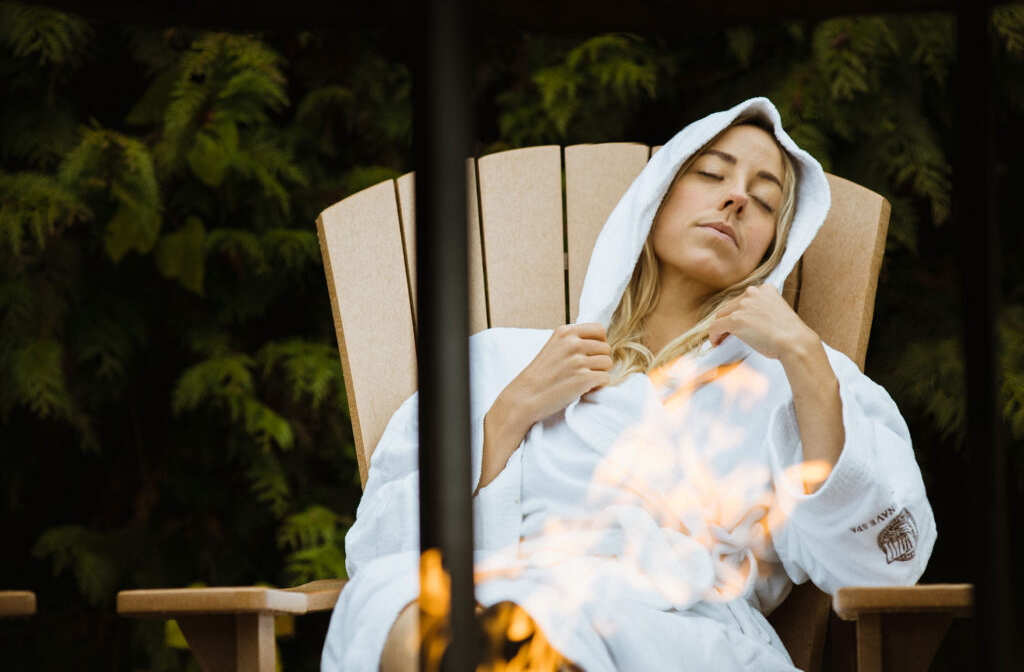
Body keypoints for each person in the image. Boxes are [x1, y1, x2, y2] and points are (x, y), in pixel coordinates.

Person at [321, 97, 935, 671]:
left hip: (672, 633)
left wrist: (804, 359)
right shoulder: (505, 361)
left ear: (773, 246)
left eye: (766, 200)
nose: (737, 200)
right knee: (404, 609)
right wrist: (509, 415)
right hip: (488, 594)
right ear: (657, 195)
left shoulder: (798, 379)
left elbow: (879, 568)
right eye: (711, 174)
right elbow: (382, 544)